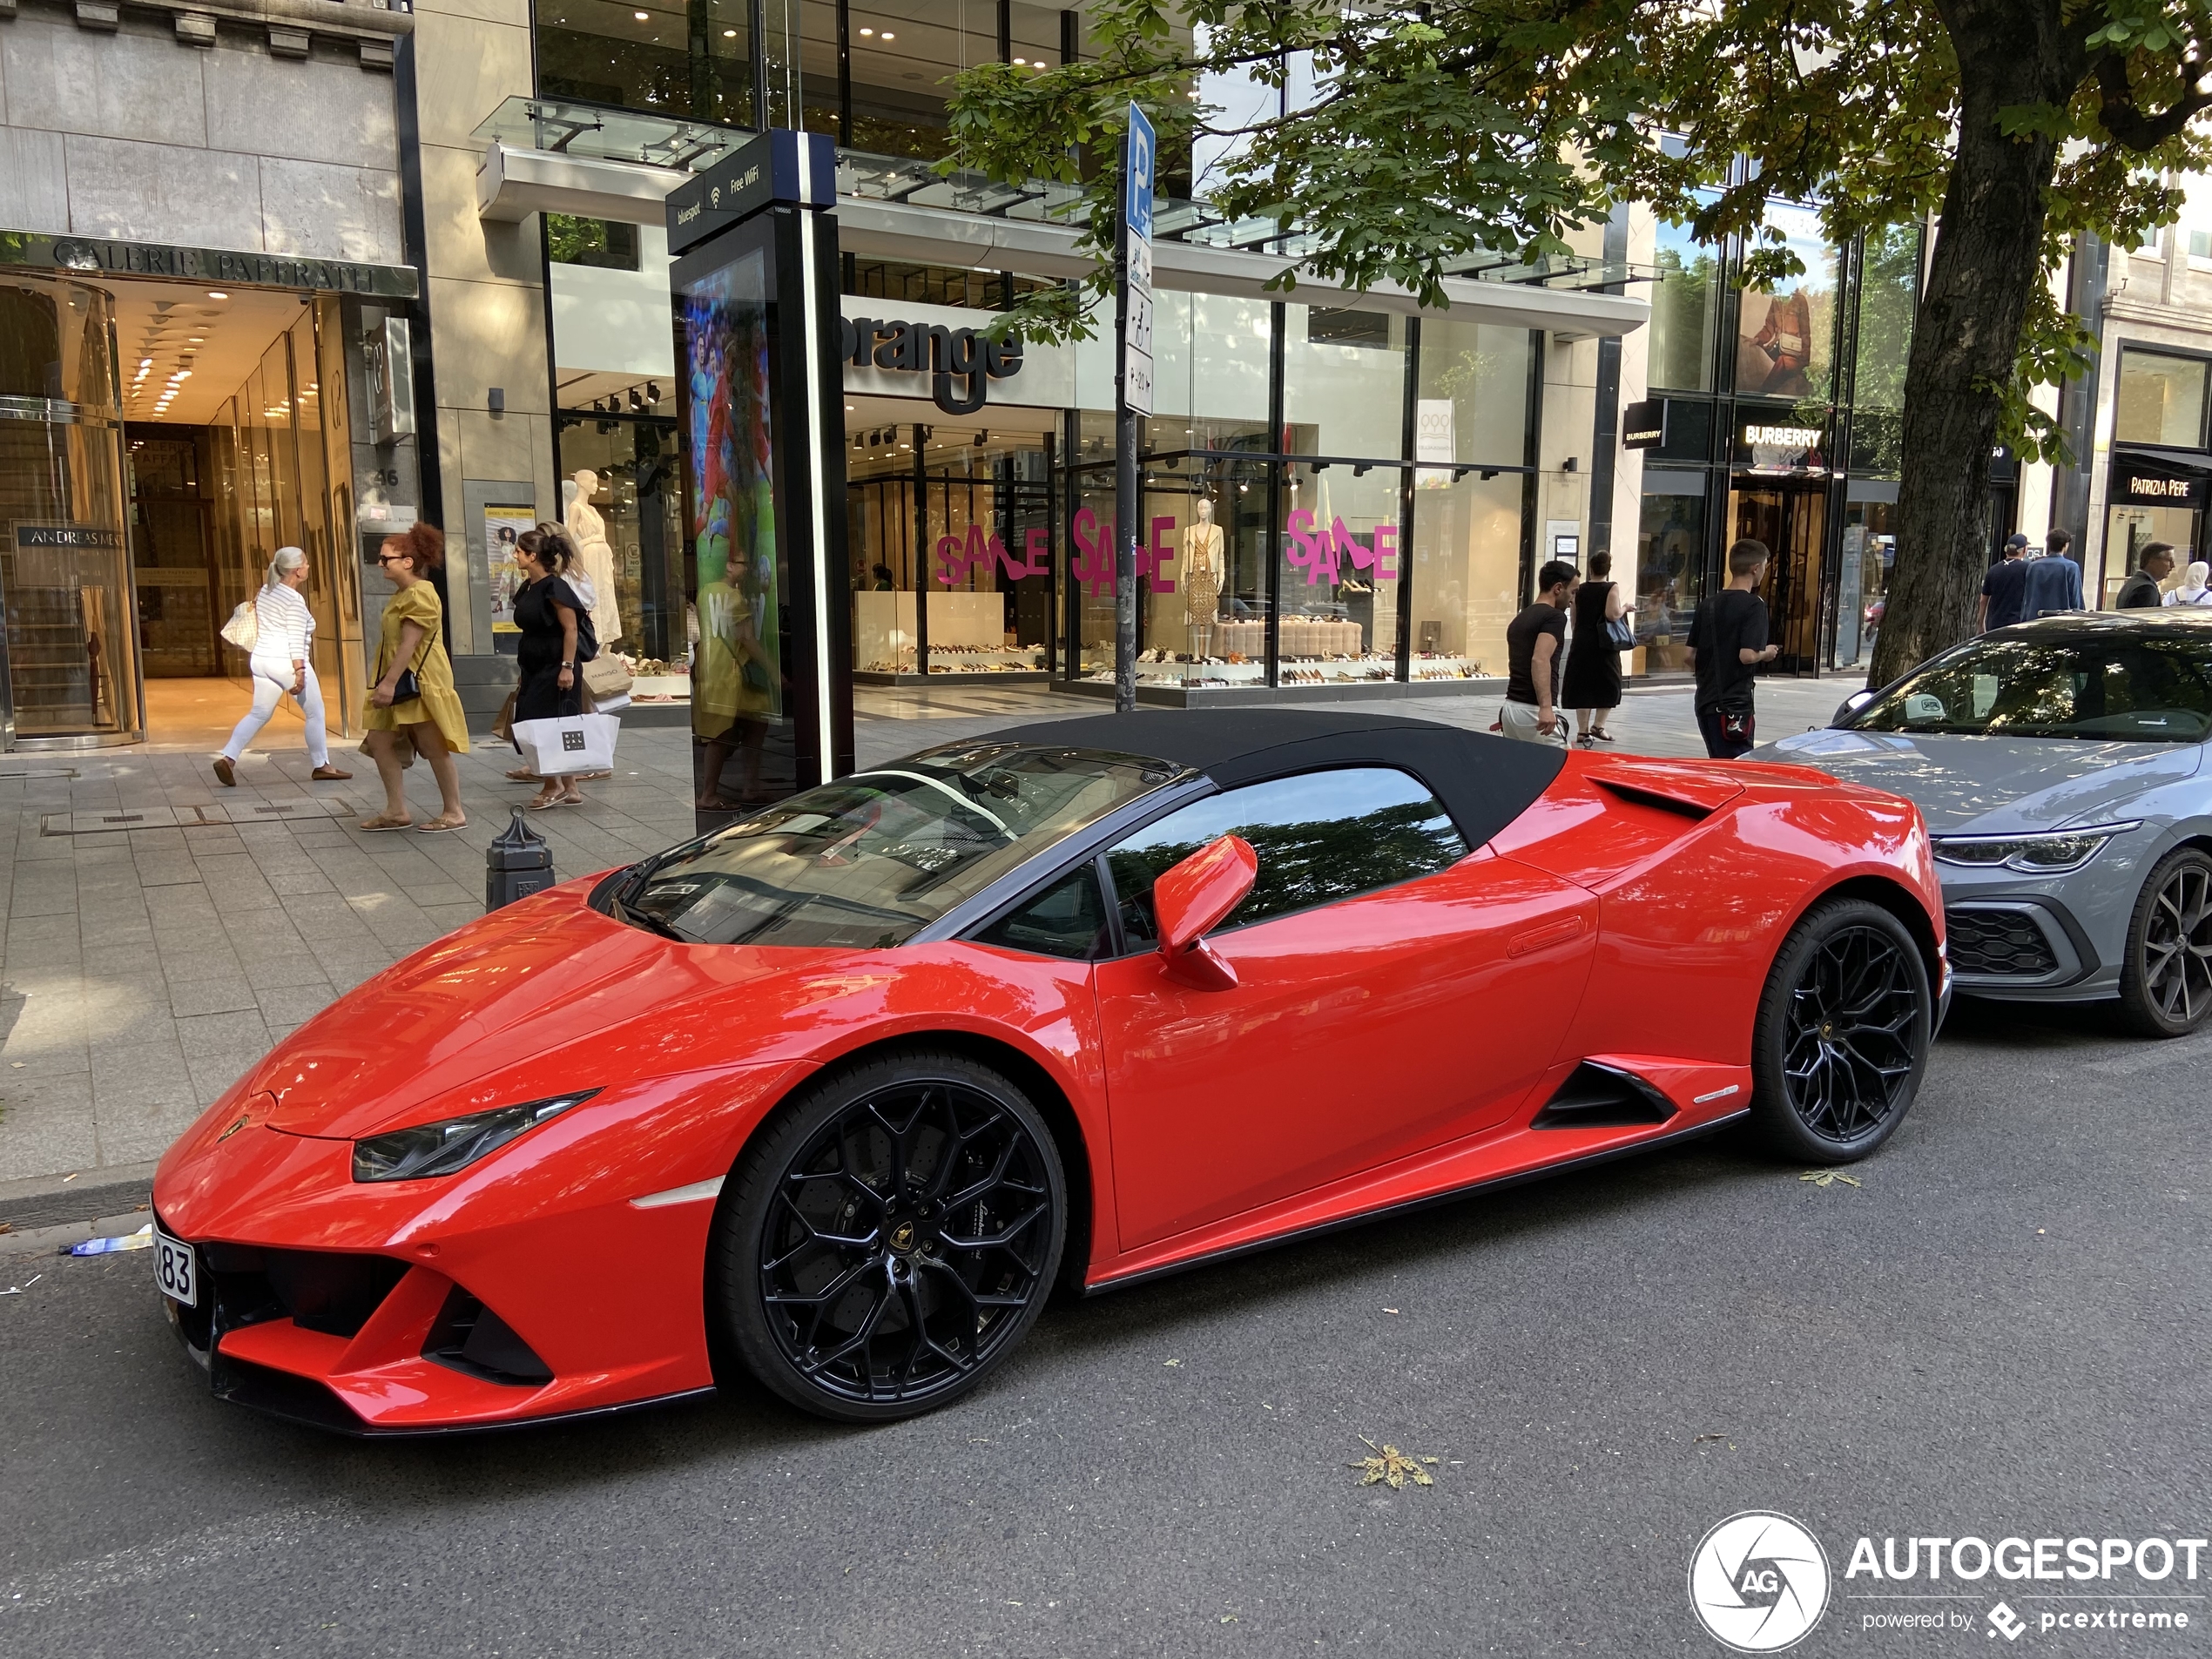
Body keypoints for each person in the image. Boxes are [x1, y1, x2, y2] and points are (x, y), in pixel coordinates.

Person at [361, 523, 469, 833]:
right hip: (398, 679)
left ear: (408, 562)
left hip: (416, 683)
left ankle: (454, 811)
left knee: (432, 745)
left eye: (386, 558)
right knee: (379, 740)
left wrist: (389, 684)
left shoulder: (420, 593)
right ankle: (396, 810)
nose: (381, 563)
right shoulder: (404, 593)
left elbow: (409, 644)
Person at [213, 546, 350, 786]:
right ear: (297, 571)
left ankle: (228, 758)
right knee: (315, 712)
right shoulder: (294, 600)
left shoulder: (267, 590)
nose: (308, 566)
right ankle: (322, 765)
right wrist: (299, 671)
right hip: (285, 663)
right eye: (306, 563)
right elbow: (295, 639)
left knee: (259, 713)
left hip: (261, 660)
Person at [512, 525, 597, 810]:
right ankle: (570, 787)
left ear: (532, 555)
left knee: (542, 725)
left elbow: (570, 629)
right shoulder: (529, 586)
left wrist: (566, 668)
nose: (515, 555)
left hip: (556, 665)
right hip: (534, 665)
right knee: (551, 723)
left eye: (519, 551)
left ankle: (553, 784)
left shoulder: (555, 586)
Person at [1685, 538, 1782, 759]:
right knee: (1738, 766)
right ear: (1755, 568)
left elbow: (1689, 655)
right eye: (1765, 567)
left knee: (1718, 762)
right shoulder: (1754, 605)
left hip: (1706, 701)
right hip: (1735, 706)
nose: (1764, 572)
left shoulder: (1707, 604)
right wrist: (1766, 653)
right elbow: (1747, 655)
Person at [1498, 560, 1578, 745]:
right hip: (1534, 710)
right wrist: (1546, 707)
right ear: (1558, 588)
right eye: (1572, 592)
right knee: (1559, 769)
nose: (1573, 599)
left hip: (1512, 707)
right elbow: (1540, 659)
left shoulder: (1520, 618)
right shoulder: (1554, 617)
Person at [1563, 550, 1628, 746]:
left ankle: (1582, 730)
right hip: (1604, 643)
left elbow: (1574, 618)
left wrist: (1579, 635)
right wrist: (1626, 608)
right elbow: (1612, 614)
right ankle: (1598, 725)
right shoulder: (1611, 587)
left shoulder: (1579, 590)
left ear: (1590, 567)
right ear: (1608, 569)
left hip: (1582, 639)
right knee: (1609, 681)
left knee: (1583, 683)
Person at [2023, 527, 2085, 617]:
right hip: (2060, 622)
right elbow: (2076, 599)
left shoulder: (2033, 566)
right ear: (2066, 545)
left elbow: (2027, 599)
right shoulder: (2071, 567)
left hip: (2034, 620)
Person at [1979, 532, 2033, 632]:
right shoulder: (2028, 568)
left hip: (1994, 624)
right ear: (2024, 550)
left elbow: (1983, 600)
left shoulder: (1993, 570)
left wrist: (1981, 624)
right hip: (2017, 623)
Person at [2114, 543, 2175, 610]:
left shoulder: (2133, 582)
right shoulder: (2146, 589)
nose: (2173, 565)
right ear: (2152, 561)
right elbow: (2145, 618)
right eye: (2169, 560)